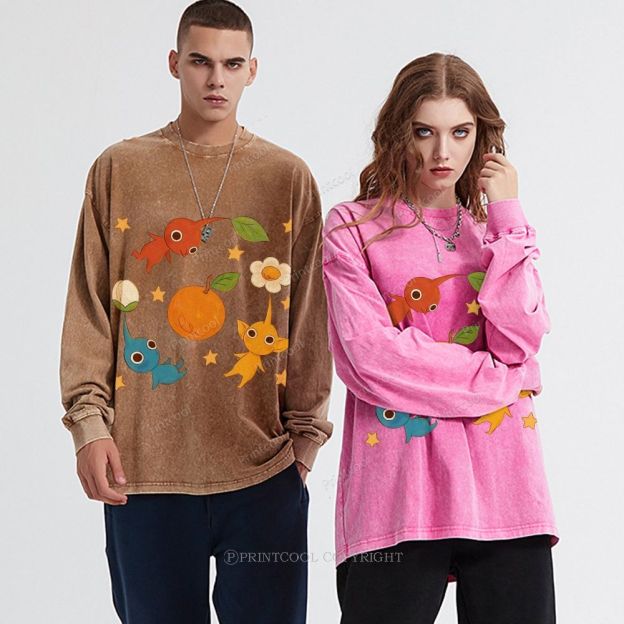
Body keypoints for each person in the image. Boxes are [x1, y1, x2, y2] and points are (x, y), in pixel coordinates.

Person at [59, 1, 333, 622]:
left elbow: (310, 319)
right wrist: (89, 426)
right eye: (201, 62)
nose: (216, 79)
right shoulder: (120, 169)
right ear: (174, 63)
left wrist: (305, 443)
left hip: (265, 470)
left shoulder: (287, 177)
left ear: (252, 70)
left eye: (232, 64)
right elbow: (89, 304)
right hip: (144, 468)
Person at [321, 52, 559, 624]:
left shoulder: (494, 232)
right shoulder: (353, 228)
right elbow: (373, 359)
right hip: (398, 496)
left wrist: (508, 215)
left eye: (460, 132)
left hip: (505, 489)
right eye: (424, 131)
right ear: (397, 132)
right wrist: (503, 381)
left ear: (482, 136)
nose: (442, 153)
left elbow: (520, 340)